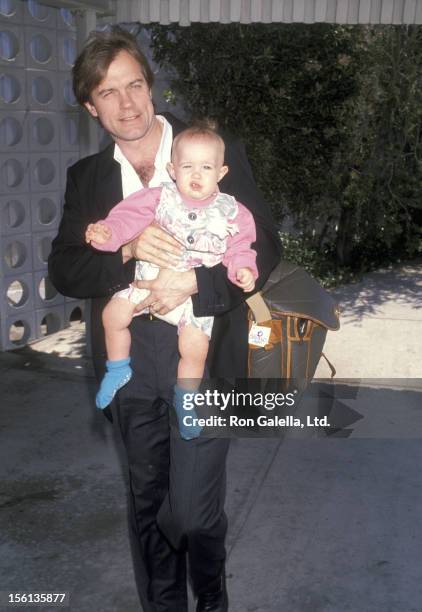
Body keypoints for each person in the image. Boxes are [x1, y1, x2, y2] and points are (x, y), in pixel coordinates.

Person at [48, 26, 280, 612]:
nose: (126, 104)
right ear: (90, 107)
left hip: (200, 346)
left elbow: (263, 247)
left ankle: (211, 599)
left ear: (151, 87)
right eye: (107, 93)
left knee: (195, 508)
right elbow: (66, 269)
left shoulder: (214, 153)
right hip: (130, 357)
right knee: (147, 498)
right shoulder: (88, 178)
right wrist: (124, 251)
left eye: (134, 86)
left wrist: (196, 283)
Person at [85, 125, 258, 439]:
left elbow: (241, 247)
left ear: (222, 172)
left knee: (194, 349)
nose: (196, 174)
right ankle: (118, 369)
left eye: (206, 167)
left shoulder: (233, 211)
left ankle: (186, 400)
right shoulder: (158, 197)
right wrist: (108, 234)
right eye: (187, 166)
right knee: (112, 316)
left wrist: (243, 269)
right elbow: (126, 218)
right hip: (148, 284)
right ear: (172, 169)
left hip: (193, 301)